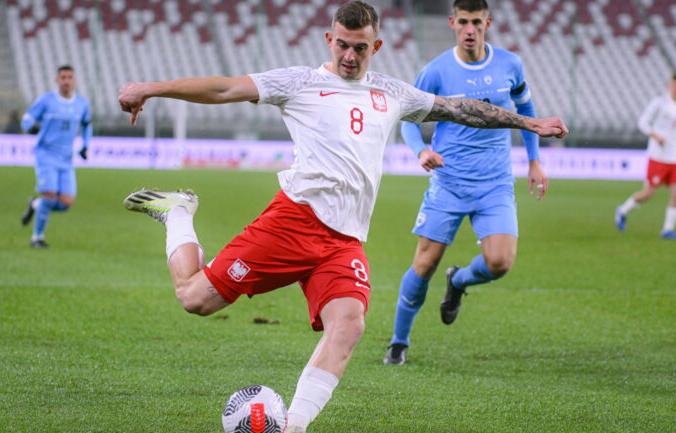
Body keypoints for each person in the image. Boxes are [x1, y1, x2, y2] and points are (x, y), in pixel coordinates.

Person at [118, 2, 567, 431]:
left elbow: (459, 108)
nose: (350, 56)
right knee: (195, 298)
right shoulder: (299, 83)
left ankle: (294, 426)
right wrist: (152, 88)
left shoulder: (391, 92)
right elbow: (223, 88)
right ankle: (178, 212)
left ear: (377, 47)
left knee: (349, 325)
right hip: (293, 223)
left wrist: (527, 123)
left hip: (344, 241)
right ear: (329, 40)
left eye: (360, 48)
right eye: (343, 45)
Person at [383, 0, 549, 365]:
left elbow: (527, 113)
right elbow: (408, 120)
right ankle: (398, 342)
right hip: (449, 182)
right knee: (424, 265)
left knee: (500, 262)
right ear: (452, 23)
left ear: (488, 22)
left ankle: (458, 281)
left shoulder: (510, 64)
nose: (469, 29)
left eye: (476, 22)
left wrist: (534, 161)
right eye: (463, 22)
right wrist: (421, 151)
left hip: (495, 184)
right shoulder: (436, 71)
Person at [20, 65, 92, 248]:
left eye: (69, 77)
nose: (66, 81)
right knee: (50, 194)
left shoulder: (82, 103)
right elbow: (27, 118)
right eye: (63, 77)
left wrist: (85, 145)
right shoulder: (47, 100)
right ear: (57, 80)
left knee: (66, 202)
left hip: (66, 158)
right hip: (46, 154)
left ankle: (36, 205)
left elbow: (87, 125)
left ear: (74, 80)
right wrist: (29, 127)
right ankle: (37, 238)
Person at [615, 73, 676, 239]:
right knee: (649, 193)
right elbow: (642, 122)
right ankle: (623, 210)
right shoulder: (659, 103)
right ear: (669, 85)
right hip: (658, 156)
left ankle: (667, 229)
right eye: (673, 84)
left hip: (674, 158)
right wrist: (655, 136)